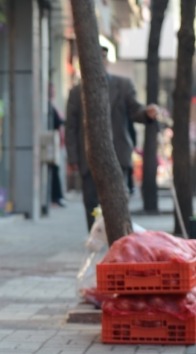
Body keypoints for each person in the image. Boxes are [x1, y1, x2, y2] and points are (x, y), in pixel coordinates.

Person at [65, 46, 158, 231]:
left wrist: (147, 113)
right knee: (91, 202)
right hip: (89, 157)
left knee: (118, 200)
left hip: (118, 155)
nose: (100, 63)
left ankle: (119, 238)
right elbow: (71, 127)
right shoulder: (76, 92)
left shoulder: (123, 85)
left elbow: (135, 110)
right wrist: (73, 157)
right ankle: (95, 239)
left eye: (103, 59)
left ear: (107, 62)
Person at [49, 84, 66, 207]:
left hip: (56, 143)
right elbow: (56, 121)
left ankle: (57, 197)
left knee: (55, 169)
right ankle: (56, 197)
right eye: (52, 90)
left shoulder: (52, 105)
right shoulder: (49, 105)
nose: (54, 92)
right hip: (52, 143)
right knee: (54, 170)